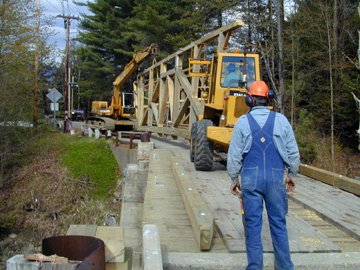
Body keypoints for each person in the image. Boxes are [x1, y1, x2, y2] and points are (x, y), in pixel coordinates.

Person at [227, 80, 300, 270]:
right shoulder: (281, 120)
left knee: (252, 227)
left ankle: (254, 267)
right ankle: (284, 267)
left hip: (251, 180)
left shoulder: (242, 123)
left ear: (249, 100)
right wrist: (291, 174)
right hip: (276, 179)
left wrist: (234, 178)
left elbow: (234, 155)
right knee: (278, 224)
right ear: (269, 99)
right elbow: (293, 153)